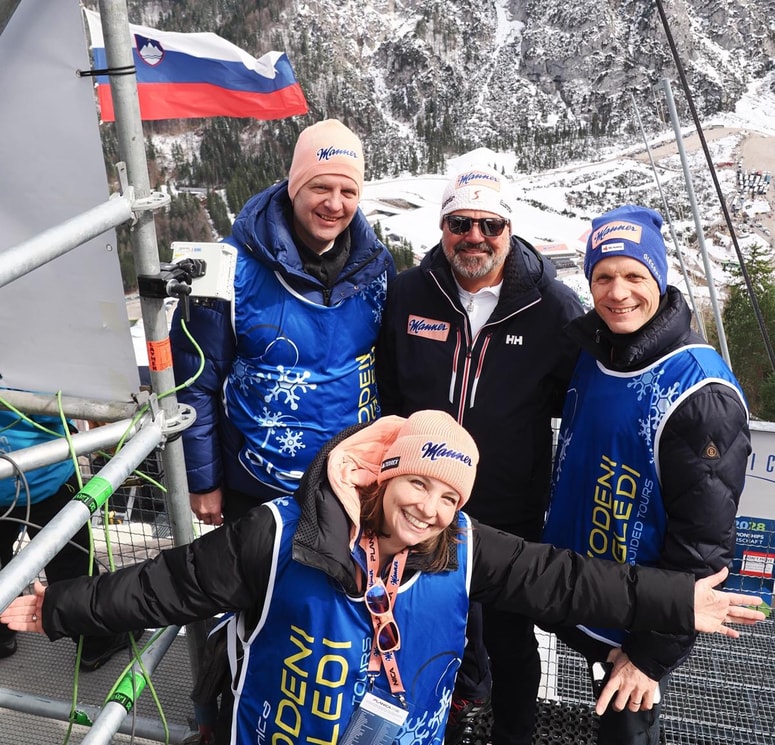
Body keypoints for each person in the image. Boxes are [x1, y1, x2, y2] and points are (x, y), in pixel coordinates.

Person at [0, 410, 763, 745]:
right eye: (418, 485)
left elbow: (563, 580)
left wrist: (676, 599)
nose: (429, 508)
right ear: (383, 475)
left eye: (449, 496)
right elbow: (167, 585)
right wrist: (60, 606)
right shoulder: (279, 534)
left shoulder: (463, 543)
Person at [376, 165, 584, 744]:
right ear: (442, 227)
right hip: (420, 505)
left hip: (508, 506)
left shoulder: (551, 307)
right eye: (460, 223)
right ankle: (428, 728)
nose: (475, 236)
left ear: (510, 229)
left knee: (511, 640)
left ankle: (514, 735)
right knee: (418, 628)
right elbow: (389, 391)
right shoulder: (410, 292)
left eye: (489, 224)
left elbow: (583, 406)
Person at [542, 205, 752, 745]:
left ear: (659, 279)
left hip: (634, 630)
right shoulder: (599, 350)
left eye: (635, 275)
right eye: (603, 277)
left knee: (627, 733)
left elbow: (702, 550)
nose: (618, 293)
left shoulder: (699, 393)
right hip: (583, 599)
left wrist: (648, 657)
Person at [170, 118, 396, 527]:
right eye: (320, 187)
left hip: (352, 480)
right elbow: (194, 379)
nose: (334, 203)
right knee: (257, 590)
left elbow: (389, 365)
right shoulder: (228, 266)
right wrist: (202, 481)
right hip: (257, 483)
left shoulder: (376, 266)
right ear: (294, 187)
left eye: (348, 191)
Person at [0, 410, 140, 670]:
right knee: (71, 567)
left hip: (23, 477)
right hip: (46, 475)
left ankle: (2, 634)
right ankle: (95, 644)